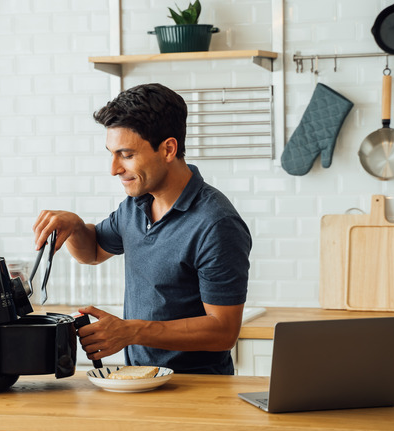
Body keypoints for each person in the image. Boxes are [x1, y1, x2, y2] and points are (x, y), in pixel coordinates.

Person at [32, 83, 251, 374]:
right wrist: (74, 227)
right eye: (111, 153)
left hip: (197, 388)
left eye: (126, 154)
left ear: (168, 149)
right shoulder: (135, 205)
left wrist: (132, 331)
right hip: (140, 381)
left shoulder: (216, 224)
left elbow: (223, 332)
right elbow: (93, 252)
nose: (114, 169)